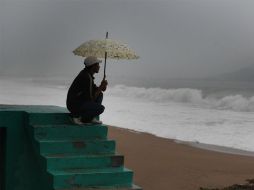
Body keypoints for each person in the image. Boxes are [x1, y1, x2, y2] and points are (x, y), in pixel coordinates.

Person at [66, 56, 108, 124]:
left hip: (79, 101)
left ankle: (90, 118)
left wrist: (102, 86)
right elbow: (91, 98)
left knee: (100, 94)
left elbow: (95, 90)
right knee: (100, 108)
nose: (99, 67)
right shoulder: (85, 77)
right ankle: (75, 116)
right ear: (93, 66)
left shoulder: (88, 75)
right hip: (74, 104)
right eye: (97, 65)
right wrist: (100, 87)